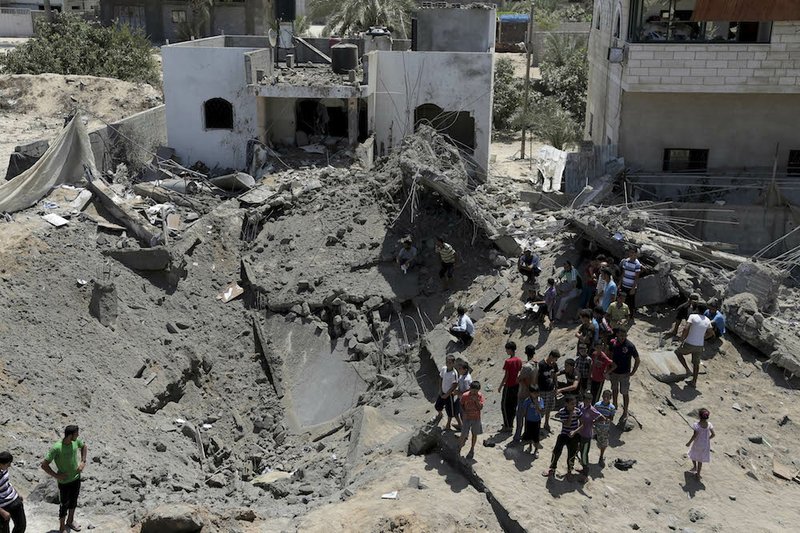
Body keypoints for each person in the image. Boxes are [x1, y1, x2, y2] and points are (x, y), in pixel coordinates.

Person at [41, 425, 87, 533]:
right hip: (64, 482)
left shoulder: (75, 442)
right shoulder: (57, 447)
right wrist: (56, 475)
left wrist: (83, 462)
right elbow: (44, 464)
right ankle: (62, 528)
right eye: (76, 434)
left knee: (73, 501)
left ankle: (70, 521)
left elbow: (84, 446)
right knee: (63, 505)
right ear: (70, 435)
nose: (78, 435)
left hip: (76, 478)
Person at [542, 395, 582, 478]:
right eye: (572, 404)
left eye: (574, 404)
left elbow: (582, 423)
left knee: (572, 454)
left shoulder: (578, 411)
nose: (574, 406)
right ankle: (552, 468)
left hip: (574, 435)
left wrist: (575, 431)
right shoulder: (562, 412)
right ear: (566, 404)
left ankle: (569, 470)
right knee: (556, 451)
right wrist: (571, 414)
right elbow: (567, 424)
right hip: (564, 434)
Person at [675, 303, 711, 388]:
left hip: (690, 343)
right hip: (700, 345)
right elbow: (711, 333)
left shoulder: (692, 316)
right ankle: (694, 382)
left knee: (678, 352)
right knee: (696, 363)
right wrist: (703, 337)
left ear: (697, 309)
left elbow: (686, 328)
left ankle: (687, 370)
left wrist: (682, 338)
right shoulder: (707, 320)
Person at [608, 327, 639, 422]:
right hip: (614, 372)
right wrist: (608, 369)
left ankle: (625, 411)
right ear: (617, 334)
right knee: (614, 390)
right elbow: (608, 355)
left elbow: (637, 359)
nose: (622, 337)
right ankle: (614, 406)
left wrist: (633, 371)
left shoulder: (630, 345)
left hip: (625, 373)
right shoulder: (612, 343)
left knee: (625, 393)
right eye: (620, 335)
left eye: (624, 336)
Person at [513, 346, 538, 443]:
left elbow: (517, 379)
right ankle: (527, 436)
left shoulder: (526, 367)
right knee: (529, 416)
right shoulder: (536, 365)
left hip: (523, 394)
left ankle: (517, 437)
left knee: (520, 417)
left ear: (525, 353)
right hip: (533, 394)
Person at [577, 392, 605, 472]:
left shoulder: (592, 409)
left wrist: (593, 422)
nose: (588, 402)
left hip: (587, 434)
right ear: (584, 400)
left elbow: (602, 418)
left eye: (590, 401)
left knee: (584, 453)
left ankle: (585, 470)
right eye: (587, 400)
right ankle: (583, 467)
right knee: (581, 450)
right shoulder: (580, 406)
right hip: (579, 432)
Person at [499, 342, 523, 433]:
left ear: (510, 349)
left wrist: (500, 386)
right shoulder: (519, 360)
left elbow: (506, 376)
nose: (506, 351)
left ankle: (507, 426)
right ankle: (510, 424)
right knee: (513, 406)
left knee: (504, 406)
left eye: (506, 349)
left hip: (509, 386)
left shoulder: (508, 361)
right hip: (516, 386)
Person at [0, 451, 26, 533]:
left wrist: (17, 493)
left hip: (14, 500)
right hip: (3, 506)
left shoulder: (4, 469)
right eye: (8, 464)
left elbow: (7, 483)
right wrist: (2, 512)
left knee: (21, 525)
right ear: (1, 463)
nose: (9, 466)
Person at [686, 408, 715, 480]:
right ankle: (698, 474)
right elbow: (713, 434)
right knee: (700, 460)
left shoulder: (696, 425)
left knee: (693, 454)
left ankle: (694, 467)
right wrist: (707, 439)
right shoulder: (709, 424)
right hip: (705, 445)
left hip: (697, 444)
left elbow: (694, 436)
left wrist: (689, 442)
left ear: (699, 416)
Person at [458, 381, 485, 458]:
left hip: (476, 418)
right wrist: (464, 412)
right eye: (473, 391)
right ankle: (459, 448)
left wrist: (476, 400)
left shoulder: (479, 396)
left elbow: (480, 407)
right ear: (470, 389)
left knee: (474, 434)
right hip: (467, 418)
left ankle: (472, 449)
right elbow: (461, 404)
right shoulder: (465, 395)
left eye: (476, 391)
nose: (474, 393)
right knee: (463, 434)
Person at [433, 355, 459, 430]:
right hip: (442, 392)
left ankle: (448, 424)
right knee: (437, 406)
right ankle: (440, 414)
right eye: (447, 362)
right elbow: (441, 378)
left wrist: (447, 394)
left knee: (449, 411)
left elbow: (455, 385)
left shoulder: (454, 373)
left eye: (450, 362)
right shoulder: (444, 369)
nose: (448, 364)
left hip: (449, 395)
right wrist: (440, 389)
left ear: (453, 363)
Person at [537, 350, 561, 432]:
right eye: (555, 359)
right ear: (551, 356)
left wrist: (556, 386)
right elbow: (537, 377)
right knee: (541, 408)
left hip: (551, 390)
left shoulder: (554, 365)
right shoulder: (541, 364)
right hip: (542, 390)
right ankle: (537, 425)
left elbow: (554, 376)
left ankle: (546, 423)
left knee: (549, 407)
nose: (556, 361)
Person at [593, 390, 616, 464]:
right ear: (602, 396)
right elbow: (593, 413)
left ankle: (601, 457)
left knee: (604, 443)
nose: (606, 398)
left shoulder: (612, 407)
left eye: (608, 397)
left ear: (610, 398)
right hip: (595, 426)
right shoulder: (597, 404)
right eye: (604, 396)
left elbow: (612, 417)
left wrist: (606, 419)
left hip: (604, 428)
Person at [521, 386, 544, 456]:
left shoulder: (540, 400)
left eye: (537, 393)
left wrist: (536, 403)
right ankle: (530, 447)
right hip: (529, 420)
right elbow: (524, 411)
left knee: (536, 436)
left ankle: (536, 450)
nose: (536, 394)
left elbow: (540, 410)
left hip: (536, 421)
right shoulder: (527, 400)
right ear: (530, 393)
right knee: (529, 435)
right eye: (534, 393)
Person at [619, 248, 642, 314]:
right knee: (622, 300)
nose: (631, 254)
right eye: (630, 252)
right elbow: (623, 273)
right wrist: (620, 283)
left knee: (630, 303)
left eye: (632, 252)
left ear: (635, 253)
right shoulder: (626, 261)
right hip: (624, 285)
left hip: (631, 287)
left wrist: (633, 288)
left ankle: (630, 315)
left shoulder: (637, 264)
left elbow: (636, 277)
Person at [454, 359, 473, 431]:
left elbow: (469, 391)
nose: (459, 370)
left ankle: (465, 429)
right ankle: (461, 425)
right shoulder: (461, 376)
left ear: (465, 369)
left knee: (463, 414)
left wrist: (458, 393)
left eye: (460, 369)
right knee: (455, 411)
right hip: (460, 398)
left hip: (465, 400)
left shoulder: (467, 379)